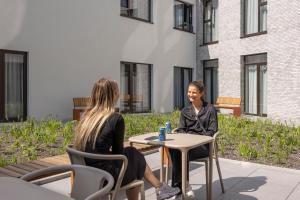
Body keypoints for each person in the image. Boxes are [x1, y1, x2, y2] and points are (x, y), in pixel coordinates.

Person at [74, 78, 180, 200]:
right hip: (106, 178)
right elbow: (118, 154)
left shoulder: (86, 118)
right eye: (117, 91)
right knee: (133, 156)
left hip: (87, 175)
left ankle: (160, 187)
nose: (119, 94)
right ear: (113, 95)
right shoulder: (115, 118)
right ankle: (160, 187)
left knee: (132, 154)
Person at [170, 80, 218, 199]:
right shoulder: (185, 111)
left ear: (201, 93)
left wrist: (196, 139)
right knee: (175, 149)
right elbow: (181, 129)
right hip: (188, 145)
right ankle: (184, 185)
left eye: (194, 92)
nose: (190, 94)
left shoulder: (210, 109)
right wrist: (181, 136)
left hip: (204, 146)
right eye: (189, 92)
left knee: (181, 152)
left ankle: (178, 187)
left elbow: (212, 130)